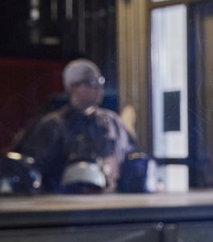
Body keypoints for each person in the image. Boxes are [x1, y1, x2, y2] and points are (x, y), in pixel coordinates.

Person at [12, 58, 138, 193]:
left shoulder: (114, 122)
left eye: (100, 81)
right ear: (72, 87)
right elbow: (34, 169)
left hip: (111, 199)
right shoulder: (53, 126)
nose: (98, 87)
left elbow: (129, 159)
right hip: (65, 203)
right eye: (92, 82)